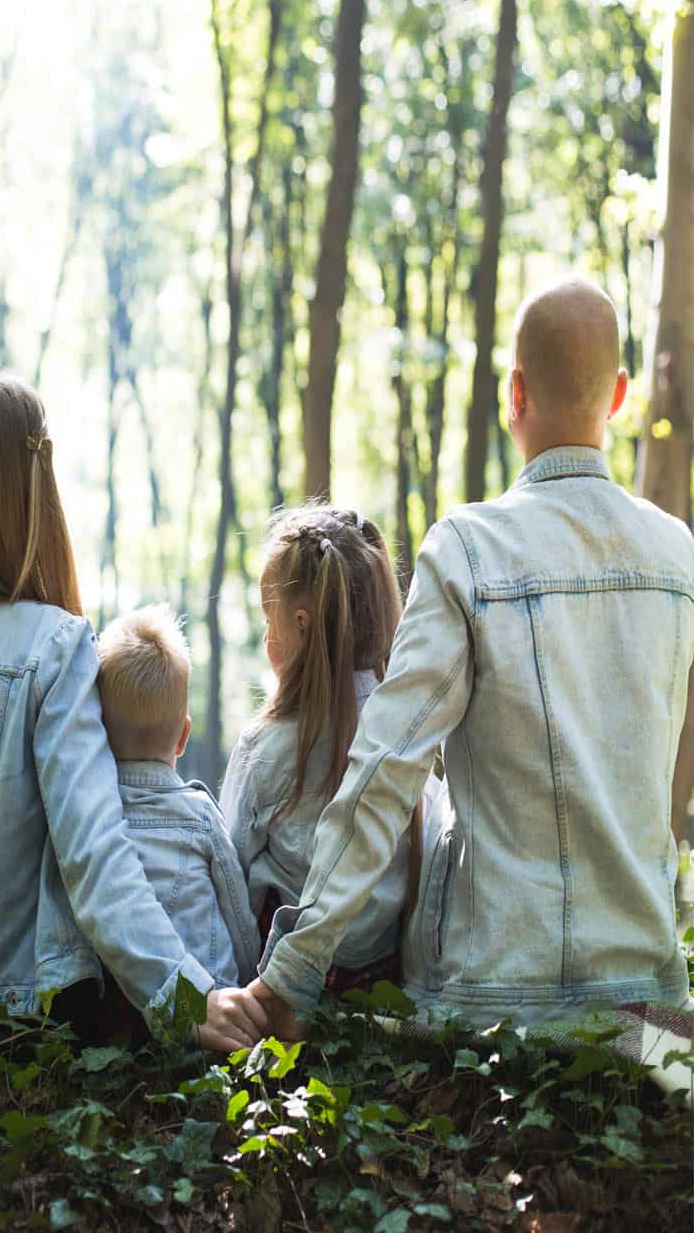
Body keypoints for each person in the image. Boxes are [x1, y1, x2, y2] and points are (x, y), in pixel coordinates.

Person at [249, 280, 694, 1034]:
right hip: (645, 1000)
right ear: (618, 397)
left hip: (490, 998)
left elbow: (385, 769)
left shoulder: (468, 551)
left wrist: (290, 974)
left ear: (513, 393)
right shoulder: (679, 558)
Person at [0, 374, 265, 1052]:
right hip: (30, 1025)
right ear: (37, 492)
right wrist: (185, 998)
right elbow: (94, 856)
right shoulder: (54, 645)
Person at [221, 505, 439, 994]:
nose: (264, 635)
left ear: (300, 623)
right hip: (384, 982)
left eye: (268, 618)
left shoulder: (265, 747)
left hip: (284, 988)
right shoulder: (408, 737)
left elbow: (229, 874)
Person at [90, 604, 258, 1043]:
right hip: (209, 1005)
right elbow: (237, 914)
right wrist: (247, 976)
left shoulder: (91, 822)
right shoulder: (200, 817)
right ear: (183, 737)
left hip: (122, 1017)